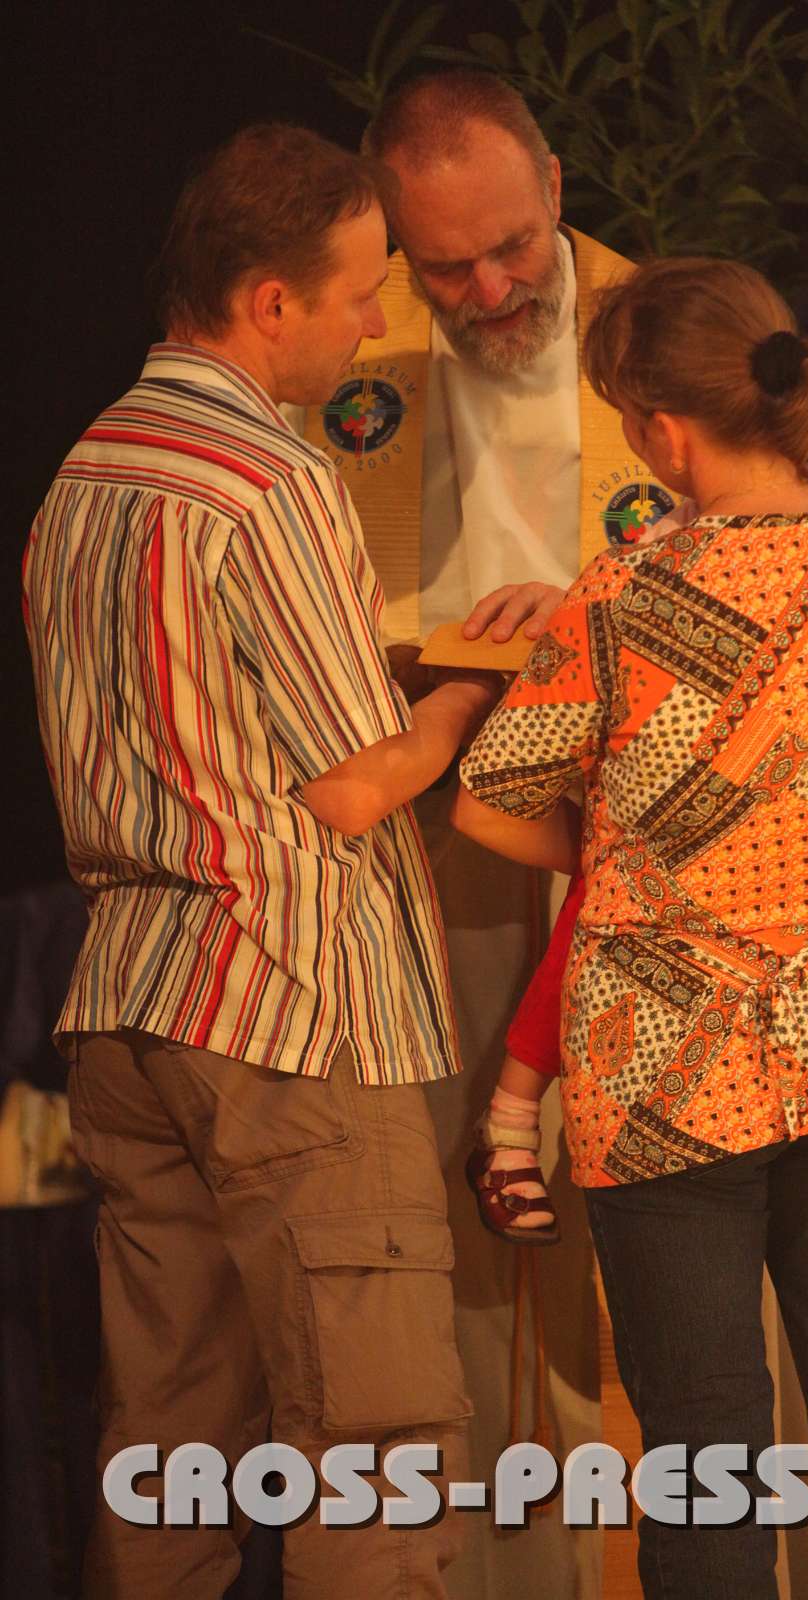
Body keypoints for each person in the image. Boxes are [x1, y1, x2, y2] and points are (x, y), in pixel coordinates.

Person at [21, 123, 504, 1600]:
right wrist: (472, 689)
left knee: (169, 1444)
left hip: (133, 1002)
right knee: (374, 1448)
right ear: (270, 301)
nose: (372, 324)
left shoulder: (84, 470)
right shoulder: (268, 479)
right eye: (358, 294)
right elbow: (356, 785)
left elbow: (204, 723)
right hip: (288, 1009)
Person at [453, 256, 808, 1598]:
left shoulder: (619, 596)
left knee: (700, 1452)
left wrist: (638, 854)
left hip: (660, 1067)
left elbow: (488, 806)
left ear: (660, 433)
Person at [295, 70, 681, 1597]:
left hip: (653, 828)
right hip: (450, 814)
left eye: (511, 245)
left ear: (557, 184)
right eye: (444, 265)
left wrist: (591, 622)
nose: (488, 291)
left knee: (663, 1213)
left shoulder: (675, 328)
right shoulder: (354, 343)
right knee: (467, 1185)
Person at [467, 400, 808, 1240]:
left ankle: (509, 1120)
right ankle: (509, 1119)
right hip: (717, 995)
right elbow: (503, 792)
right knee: (584, 916)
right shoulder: (658, 558)